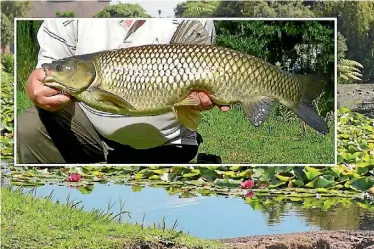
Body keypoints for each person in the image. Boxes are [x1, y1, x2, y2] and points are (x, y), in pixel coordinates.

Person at [16, 19, 230, 165]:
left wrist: (204, 96)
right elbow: (45, 67)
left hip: (168, 143)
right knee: (29, 127)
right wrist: (35, 86)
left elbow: (203, 78)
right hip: (91, 132)